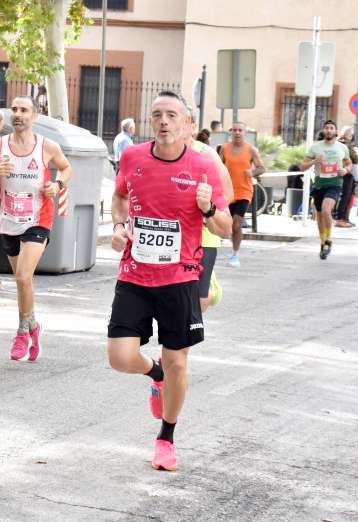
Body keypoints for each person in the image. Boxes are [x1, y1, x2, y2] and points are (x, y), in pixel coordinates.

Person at [108, 91, 230, 472]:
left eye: (172, 115)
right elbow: (118, 195)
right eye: (157, 115)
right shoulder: (132, 157)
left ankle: (166, 438)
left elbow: (224, 227)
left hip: (180, 278)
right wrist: (118, 225)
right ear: (150, 121)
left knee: (179, 362)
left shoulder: (203, 165)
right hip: (135, 273)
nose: (164, 122)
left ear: (186, 124)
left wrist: (208, 207)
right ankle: (153, 373)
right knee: (120, 357)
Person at [0, 95, 72, 362]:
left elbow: (66, 168)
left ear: (35, 116)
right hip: (9, 220)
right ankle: (34, 326)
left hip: (38, 219)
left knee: (21, 277)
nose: (18, 114)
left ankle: (21, 331)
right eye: (14, 110)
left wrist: (57, 185)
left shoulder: (47, 146)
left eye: (24, 110)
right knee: (23, 282)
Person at [192, 124, 232, 310]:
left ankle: (210, 287)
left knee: (198, 301)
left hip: (204, 235)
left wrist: (206, 209)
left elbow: (228, 194)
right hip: (174, 236)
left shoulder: (206, 154)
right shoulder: (158, 152)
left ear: (190, 125)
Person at [300, 120, 350, 259]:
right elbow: (302, 166)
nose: (328, 130)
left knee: (327, 210)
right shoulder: (315, 147)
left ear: (335, 132)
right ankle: (323, 242)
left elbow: (349, 163)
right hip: (319, 184)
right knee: (320, 216)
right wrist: (314, 162)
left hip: (335, 183)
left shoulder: (342, 148)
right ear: (323, 131)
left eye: (331, 128)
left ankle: (329, 239)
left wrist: (345, 170)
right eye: (326, 128)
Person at [218, 122, 264, 267]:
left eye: (240, 130)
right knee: (226, 223)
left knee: (237, 224)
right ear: (231, 132)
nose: (237, 132)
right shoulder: (224, 148)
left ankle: (235, 255)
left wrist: (253, 172)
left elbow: (262, 168)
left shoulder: (251, 150)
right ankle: (216, 246)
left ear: (245, 133)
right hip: (227, 190)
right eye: (235, 130)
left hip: (244, 191)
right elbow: (217, 166)